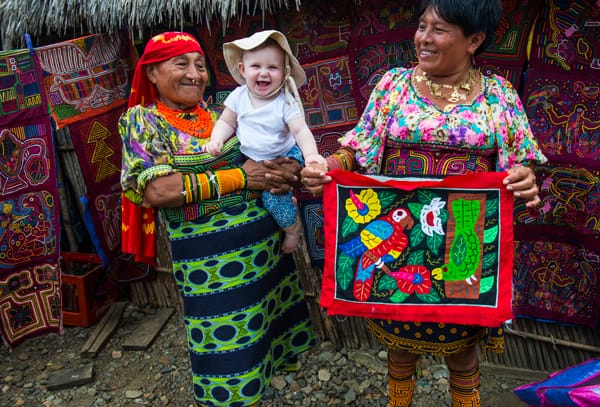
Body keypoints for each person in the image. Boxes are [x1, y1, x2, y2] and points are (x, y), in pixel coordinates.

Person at [300, 1, 548, 406]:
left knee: (462, 345)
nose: (423, 38)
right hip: (403, 236)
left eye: (439, 29)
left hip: (464, 235)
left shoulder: (499, 97)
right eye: (422, 26)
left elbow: (520, 168)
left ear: (474, 40)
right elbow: (359, 151)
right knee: (400, 340)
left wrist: (524, 178)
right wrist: (327, 166)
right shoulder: (393, 85)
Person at [119, 31, 315, 407]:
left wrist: (288, 166)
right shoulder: (143, 121)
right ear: (152, 74)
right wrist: (241, 177)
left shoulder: (219, 112)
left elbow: (269, 151)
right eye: (181, 64)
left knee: (264, 333)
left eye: (199, 65)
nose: (195, 74)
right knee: (225, 345)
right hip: (211, 263)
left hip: (264, 249)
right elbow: (157, 191)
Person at [205, 30, 326, 253]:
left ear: (284, 73)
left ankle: (292, 229)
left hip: (283, 157)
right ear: (242, 70)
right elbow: (226, 122)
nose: (264, 73)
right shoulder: (238, 96)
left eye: (272, 68)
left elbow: (300, 131)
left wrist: (310, 156)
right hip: (251, 158)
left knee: (275, 200)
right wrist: (216, 139)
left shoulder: (284, 102)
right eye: (256, 67)